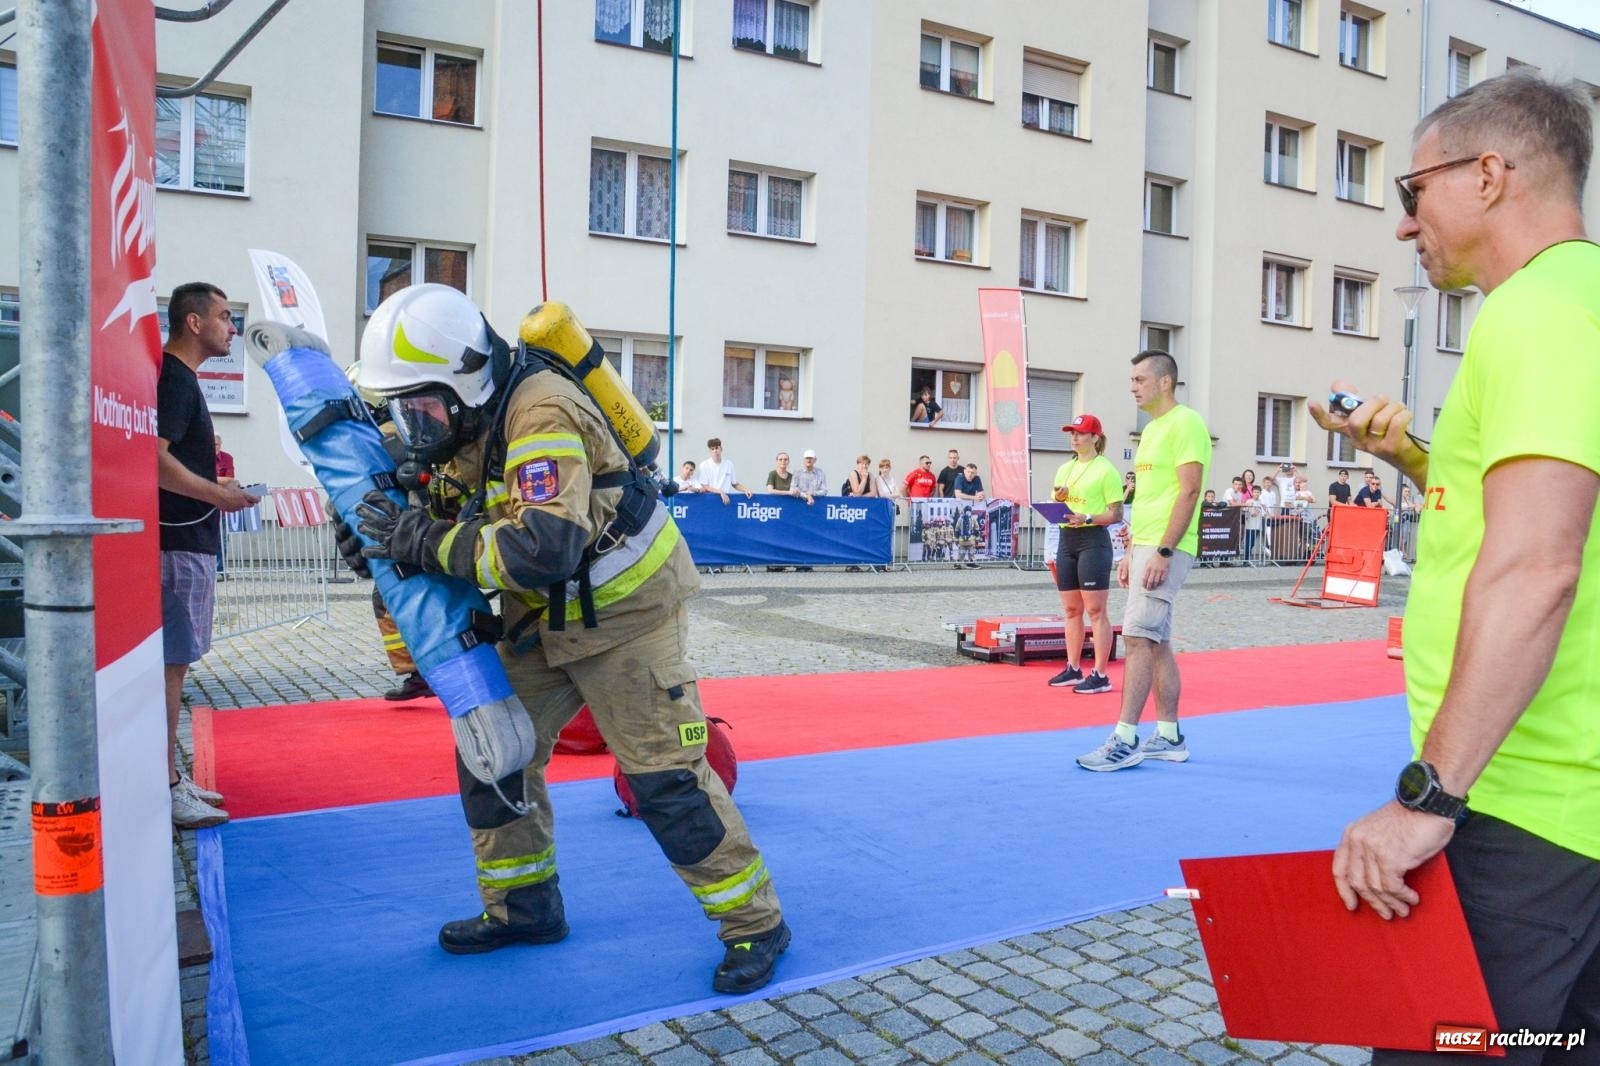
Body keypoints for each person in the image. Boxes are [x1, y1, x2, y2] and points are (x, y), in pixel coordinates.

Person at [354, 285, 788, 993]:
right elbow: (457, 513)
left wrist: (425, 542)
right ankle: (524, 909)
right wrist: (384, 540)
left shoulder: (541, 411)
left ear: (463, 384)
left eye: (422, 406)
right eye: (405, 410)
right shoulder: (473, 421)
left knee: (665, 782)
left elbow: (542, 546)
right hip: (544, 620)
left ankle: (756, 924)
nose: (416, 424)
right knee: (493, 756)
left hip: (627, 618)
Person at [1309, 71, 1600, 1055]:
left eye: (1412, 190)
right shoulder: (1581, 302)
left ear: (1487, 174)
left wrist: (1428, 796)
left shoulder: (1535, 312)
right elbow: (1546, 509)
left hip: (1523, 804)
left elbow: (1537, 567)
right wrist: (1413, 460)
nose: (1405, 223)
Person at [157, 283, 259, 828]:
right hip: (177, 545)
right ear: (193, 323)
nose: (232, 329)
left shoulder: (180, 378)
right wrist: (217, 495)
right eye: (224, 317)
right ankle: (167, 785)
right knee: (170, 669)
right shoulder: (174, 379)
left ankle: (169, 776)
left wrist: (218, 485)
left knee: (174, 666)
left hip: (184, 541)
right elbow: (154, 461)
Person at [1077, 350, 1210, 771]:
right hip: (1147, 545)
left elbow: (1189, 491)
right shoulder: (1151, 430)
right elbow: (1152, 498)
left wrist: (1164, 551)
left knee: (1136, 638)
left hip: (1168, 547)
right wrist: (1132, 551)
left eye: (1139, 379)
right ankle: (1168, 736)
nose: (1132, 387)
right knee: (1156, 642)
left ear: (1164, 382)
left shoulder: (1186, 423)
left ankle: (1125, 738)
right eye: (1131, 380)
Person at [1047, 414, 1123, 695]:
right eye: (1072, 433)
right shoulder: (1064, 468)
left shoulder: (1106, 470)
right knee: (1071, 610)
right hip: (1067, 539)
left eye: (1080, 433)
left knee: (1096, 610)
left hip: (1093, 540)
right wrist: (1058, 499)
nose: (1075, 437)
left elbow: (1117, 513)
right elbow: (1057, 499)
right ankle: (1073, 668)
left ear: (1095, 437)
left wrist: (1088, 517)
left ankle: (1101, 674)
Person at [692, 438, 753, 503]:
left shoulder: (729, 464)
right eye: (712, 449)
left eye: (716, 448)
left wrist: (746, 490)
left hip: (725, 500)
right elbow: (705, 486)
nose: (715, 451)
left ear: (721, 449)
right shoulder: (704, 465)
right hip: (709, 500)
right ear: (710, 451)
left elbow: (734, 484)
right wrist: (720, 492)